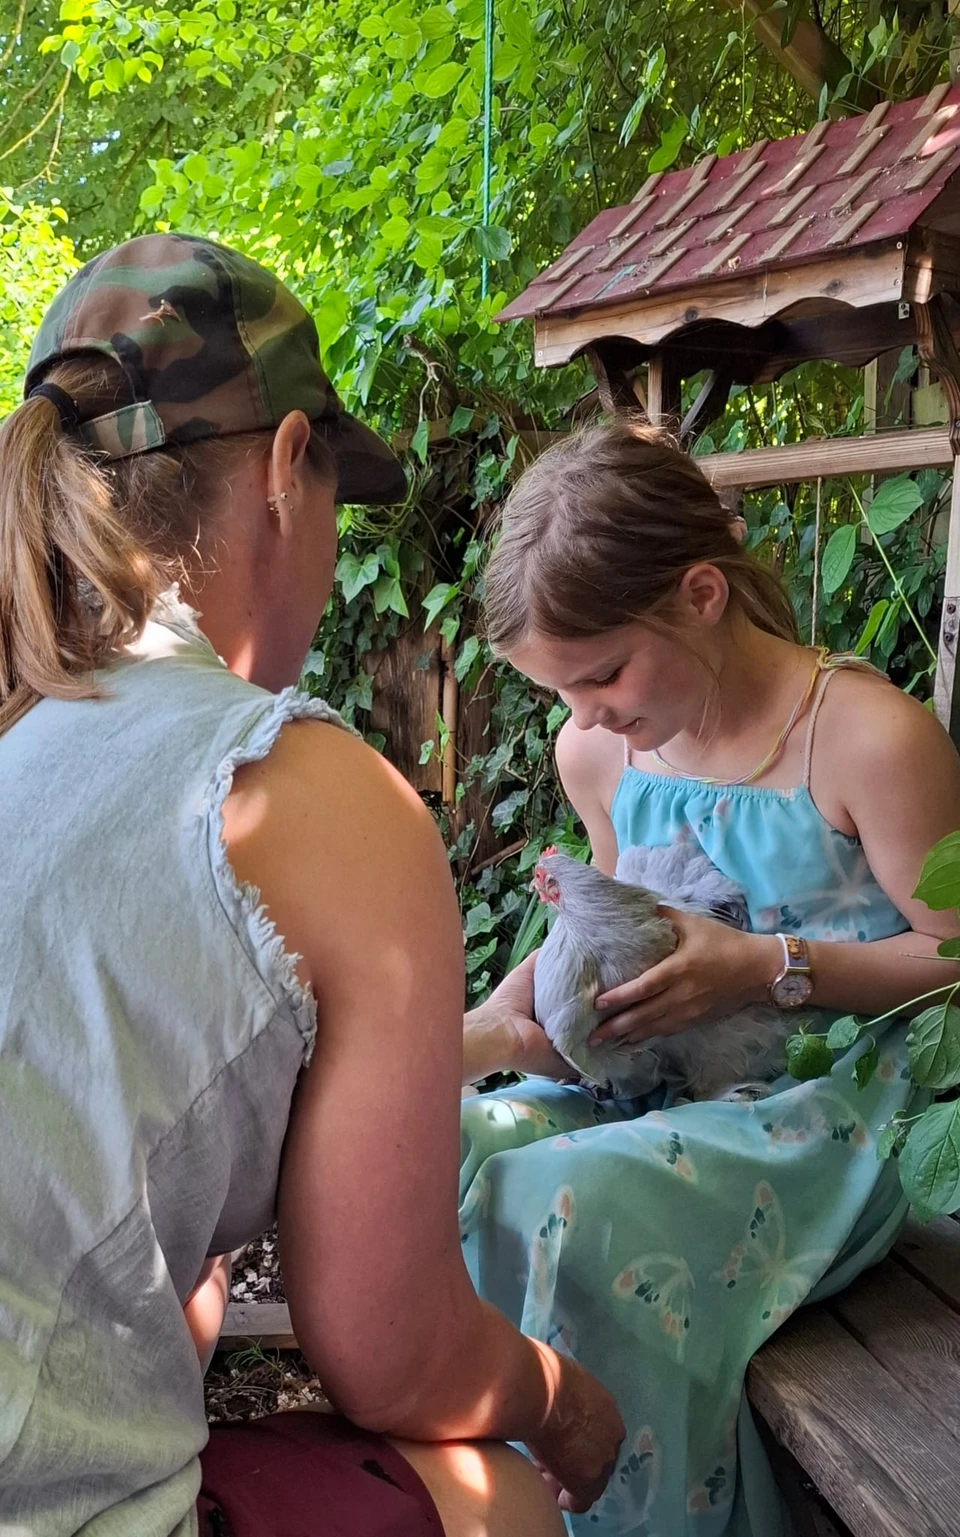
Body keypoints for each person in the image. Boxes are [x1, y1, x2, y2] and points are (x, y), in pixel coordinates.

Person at [0, 233, 624, 1537]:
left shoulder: (25, 733)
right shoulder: (308, 788)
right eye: (341, 499)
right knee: (497, 1493)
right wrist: (566, 1401)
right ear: (289, 469)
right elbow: (392, 1355)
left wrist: (484, 1038)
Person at [459, 420, 960, 1536]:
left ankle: (655, 1510)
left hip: (832, 1114)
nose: (586, 716)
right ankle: (503, 1505)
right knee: (454, 1143)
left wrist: (770, 966)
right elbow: (611, 917)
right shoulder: (599, 752)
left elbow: (956, 962)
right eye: (563, 693)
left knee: (562, 1197)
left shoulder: (866, 738)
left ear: (698, 593)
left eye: (602, 675)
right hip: (662, 1094)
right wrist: (509, 1012)